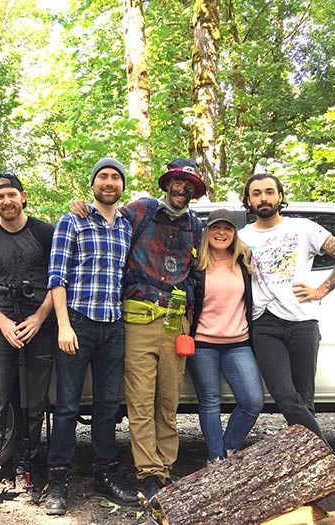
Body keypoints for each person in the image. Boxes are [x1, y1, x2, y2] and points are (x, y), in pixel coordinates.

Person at [69, 157, 204, 500]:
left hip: (177, 321)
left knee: (168, 399)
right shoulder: (140, 211)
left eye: (188, 185)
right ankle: (149, 474)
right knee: (141, 401)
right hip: (138, 317)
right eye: (176, 181)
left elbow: (208, 264)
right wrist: (81, 206)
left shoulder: (196, 226)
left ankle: (166, 466)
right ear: (167, 183)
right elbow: (106, 217)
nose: (181, 188)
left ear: (193, 191)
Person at [45, 158, 138, 516]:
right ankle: (57, 480)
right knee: (67, 406)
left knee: (107, 406)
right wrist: (64, 326)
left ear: (122, 185)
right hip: (78, 323)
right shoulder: (73, 220)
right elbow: (57, 276)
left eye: (116, 176)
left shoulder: (127, 226)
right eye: (103, 176)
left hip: (114, 325)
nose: (109, 181)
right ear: (93, 183)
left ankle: (105, 472)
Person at [238, 173, 335, 445]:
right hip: (264, 322)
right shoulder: (240, 237)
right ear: (248, 200)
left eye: (269, 192)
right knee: (283, 393)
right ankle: (326, 455)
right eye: (256, 193)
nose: (263, 198)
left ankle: (310, 462)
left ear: (280, 196)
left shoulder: (304, 228)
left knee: (304, 398)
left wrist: (321, 290)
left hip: (303, 321)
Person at [0, 172, 56, 512]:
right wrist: (3, 323)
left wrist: (39, 318)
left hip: (39, 327)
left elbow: (58, 280)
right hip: (1, 327)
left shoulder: (45, 233)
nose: (6, 201)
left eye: (11, 195)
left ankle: (28, 470)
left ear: (23, 197)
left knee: (35, 405)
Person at [187, 208, 264, 465]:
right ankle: (216, 459)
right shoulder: (195, 264)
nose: (221, 233)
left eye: (228, 228)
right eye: (216, 228)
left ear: (235, 233)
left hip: (238, 344)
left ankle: (229, 448)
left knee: (252, 401)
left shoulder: (244, 262)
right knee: (210, 402)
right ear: (206, 232)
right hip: (202, 345)